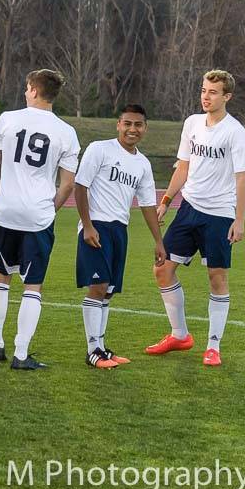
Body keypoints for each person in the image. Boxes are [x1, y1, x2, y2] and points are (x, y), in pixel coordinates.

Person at [146, 70, 245, 366]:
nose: (206, 96)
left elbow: (241, 178)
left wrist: (239, 220)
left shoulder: (234, 131)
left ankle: (213, 346)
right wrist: (166, 201)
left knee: (216, 277)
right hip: (188, 209)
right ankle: (180, 335)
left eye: (213, 92)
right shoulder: (192, 123)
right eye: (204, 90)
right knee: (162, 270)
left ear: (226, 96)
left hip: (219, 215)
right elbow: (183, 167)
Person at [0, 69, 80, 370]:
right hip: (38, 216)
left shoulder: (7, 119)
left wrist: (1, 200)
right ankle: (21, 354)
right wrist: (49, 208)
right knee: (32, 286)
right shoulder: (66, 132)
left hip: (5, 212)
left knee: (1, 277)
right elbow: (67, 184)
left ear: (32, 90)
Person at [75, 105, 165, 368]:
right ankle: (93, 351)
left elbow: (148, 205)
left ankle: (102, 348)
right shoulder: (99, 149)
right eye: (127, 123)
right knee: (98, 287)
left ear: (145, 128)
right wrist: (87, 225)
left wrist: (159, 241)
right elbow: (81, 187)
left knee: (109, 291)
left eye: (138, 125)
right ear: (118, 124)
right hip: (97, 227)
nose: (132, 129)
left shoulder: (143, 164)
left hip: (119, 230)